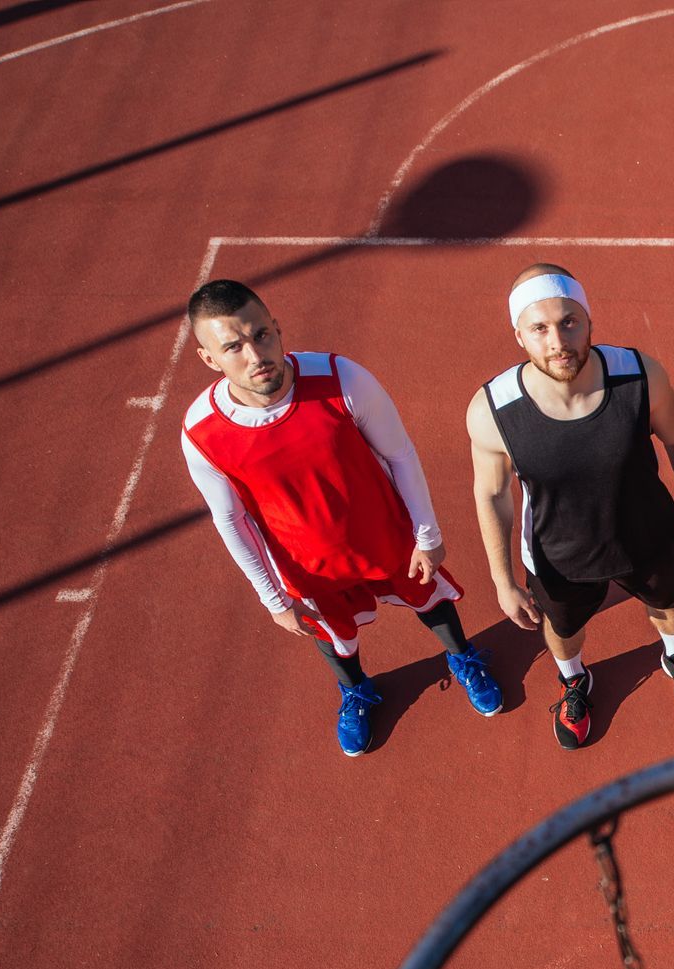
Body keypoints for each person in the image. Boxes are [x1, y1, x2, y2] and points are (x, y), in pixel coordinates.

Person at [181, 280, 501, 756]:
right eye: (233, 347)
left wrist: (427, 533)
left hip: (385, 536)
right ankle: (356, 690)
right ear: (210, 358)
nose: (256, 355)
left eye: (262, 335)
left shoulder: (340, 378)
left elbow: (400, 455)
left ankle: (462, 656)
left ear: (276, 327)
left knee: (429, 596)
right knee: (332, 633)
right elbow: (231, 521)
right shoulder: (202, 432)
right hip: (307, 567)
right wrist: (272, 598)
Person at [466, 264, 674, 749]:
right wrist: (502, 581)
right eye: (539, 329)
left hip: (647, 534)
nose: (557, 340)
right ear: (519, 335)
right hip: (559, 555)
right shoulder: (492, 410)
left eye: (568, 322)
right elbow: (492, 494)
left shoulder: (639, 375)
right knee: (564, 628)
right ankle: (573, 679)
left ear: (588, 322)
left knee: (669, 604)